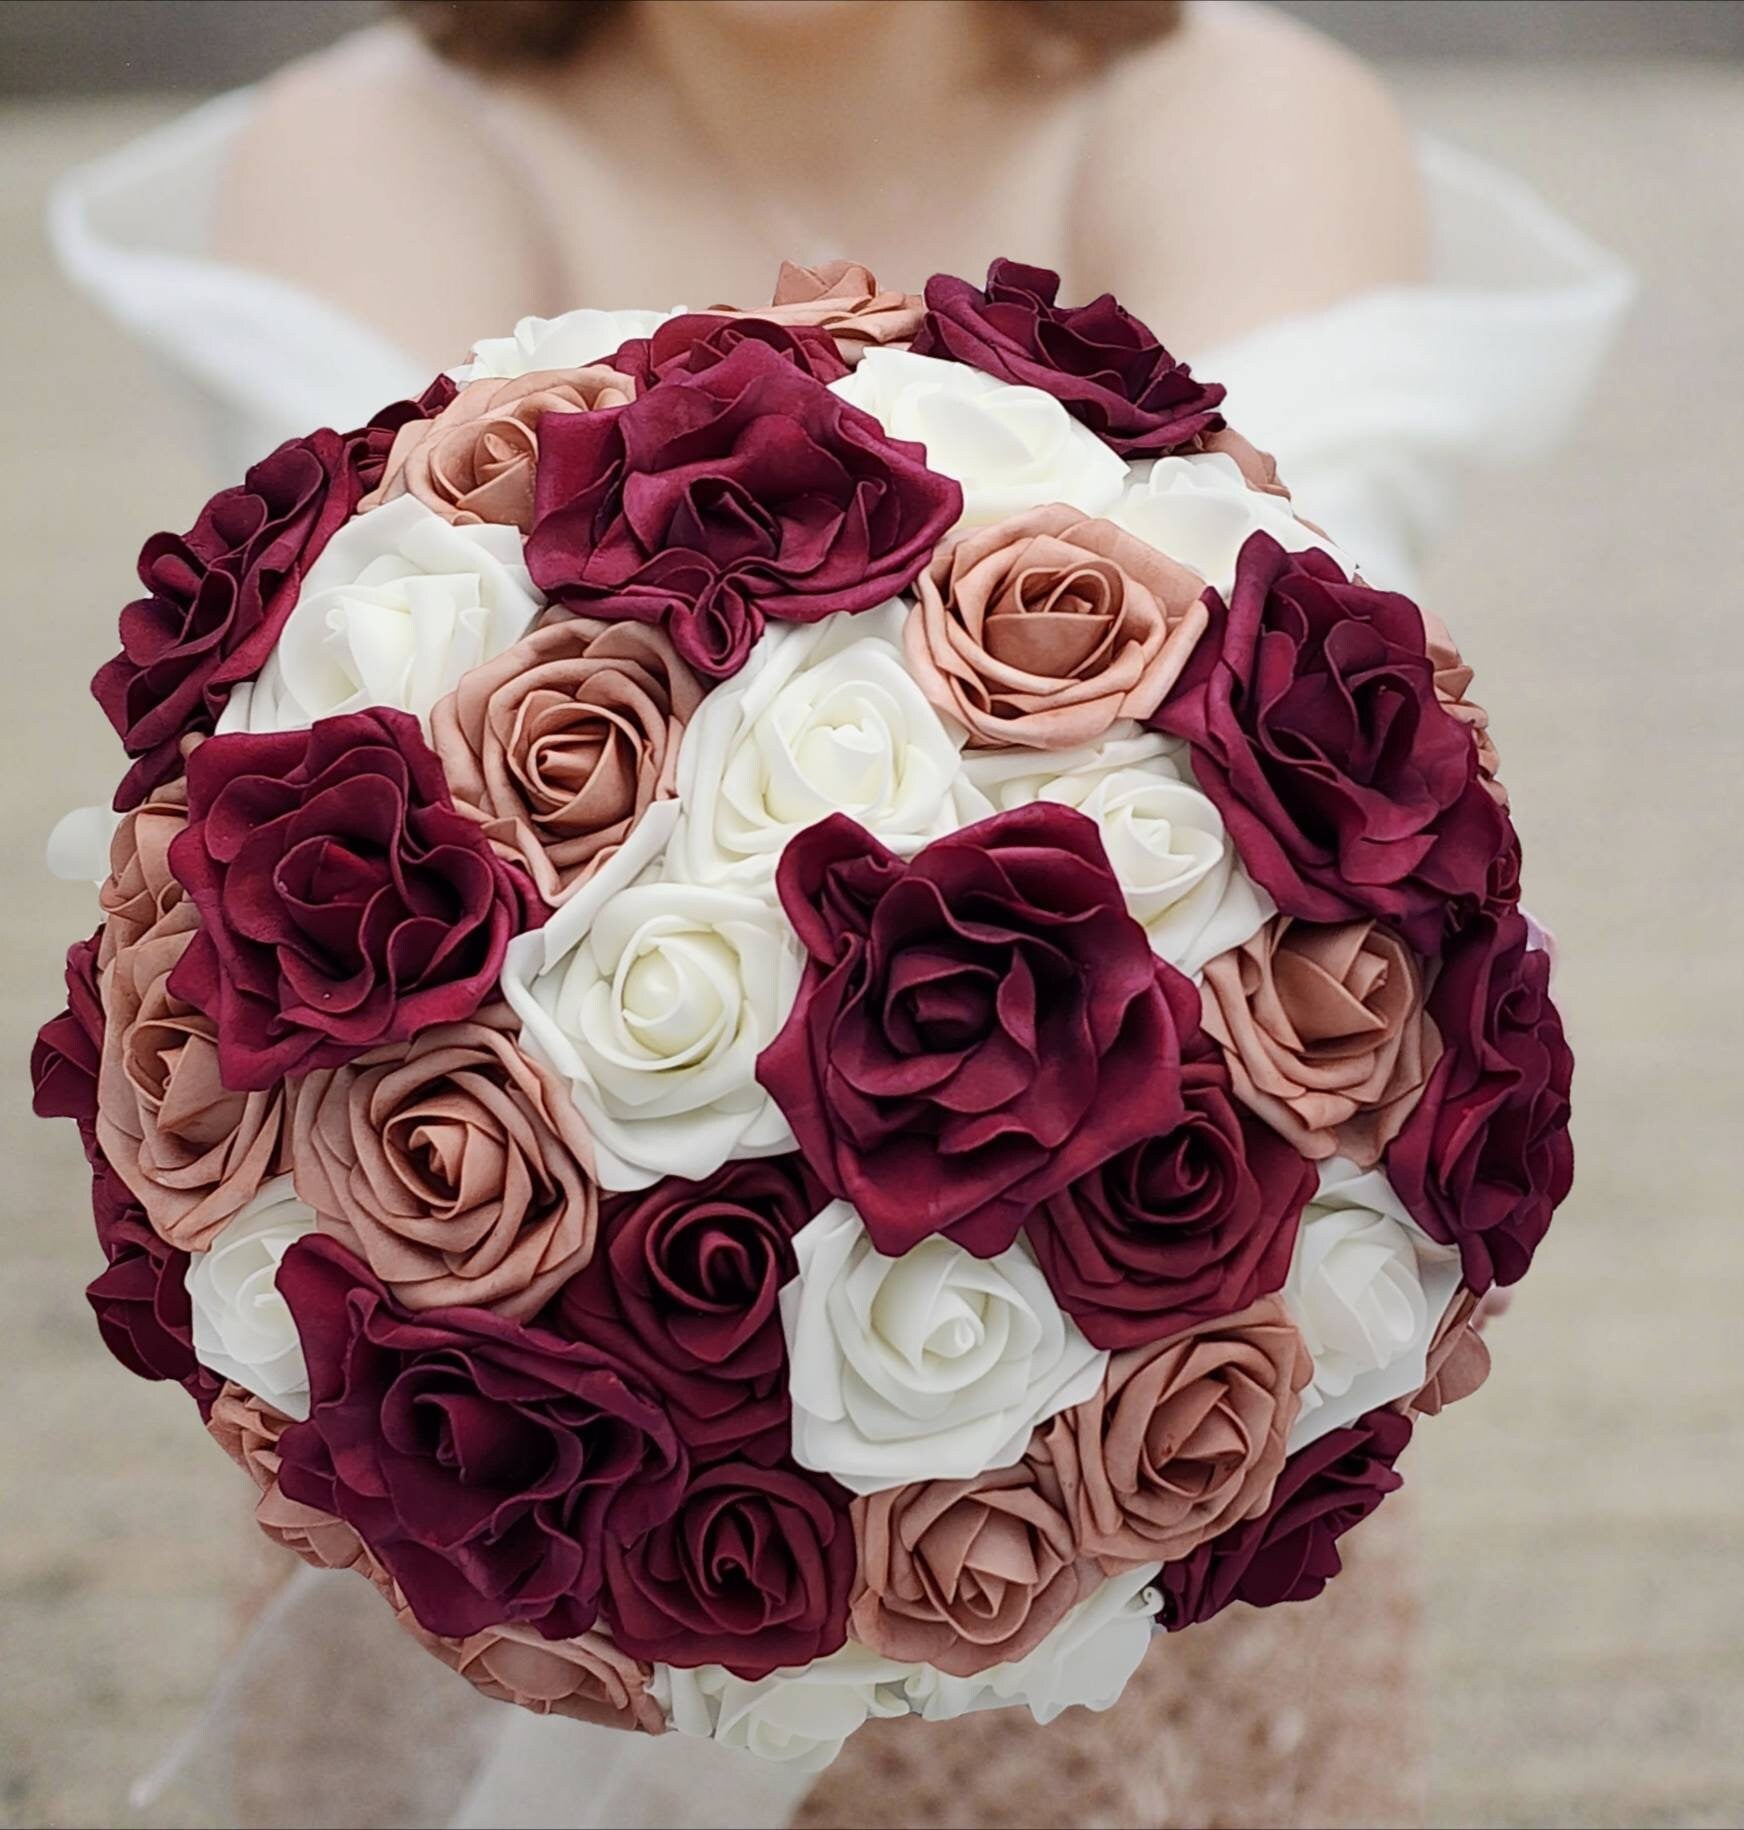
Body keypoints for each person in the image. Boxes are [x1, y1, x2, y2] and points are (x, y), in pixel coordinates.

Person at [50, 4, 1630, 1826]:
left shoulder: (1233, 111)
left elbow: (1304, 678)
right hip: (509, 1466)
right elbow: (347, 691)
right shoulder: (380, 143)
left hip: (1123, 1456)